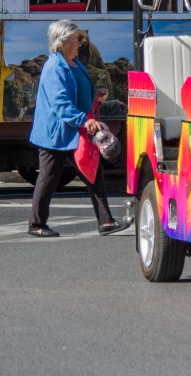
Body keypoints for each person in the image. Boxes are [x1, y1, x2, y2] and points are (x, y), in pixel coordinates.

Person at [28, 19, 123, 238]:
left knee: (93, 172)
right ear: (62, 42)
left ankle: (106, 221)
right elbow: (60, 103)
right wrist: (83, 119)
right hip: (57, 133)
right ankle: (36, 224)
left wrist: (95, 94)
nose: (80, 42)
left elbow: (78, 91)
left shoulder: (74, 62)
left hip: (74, 130)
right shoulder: (54, 67)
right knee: (48, 178)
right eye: (76, 38)